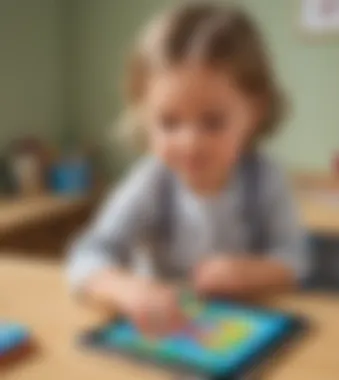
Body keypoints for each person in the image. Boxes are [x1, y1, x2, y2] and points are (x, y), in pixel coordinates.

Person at [67, 2, 309, 336]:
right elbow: (88, 254)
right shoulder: (151, 182)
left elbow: (296, 260)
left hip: (242, 331)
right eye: (168, 123)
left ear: (254, 111)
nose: (190, 143)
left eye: (212, 122)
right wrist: (126, 289)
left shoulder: (266, 179)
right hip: (165, 335)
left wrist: (251, 273)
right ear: (143, 114)